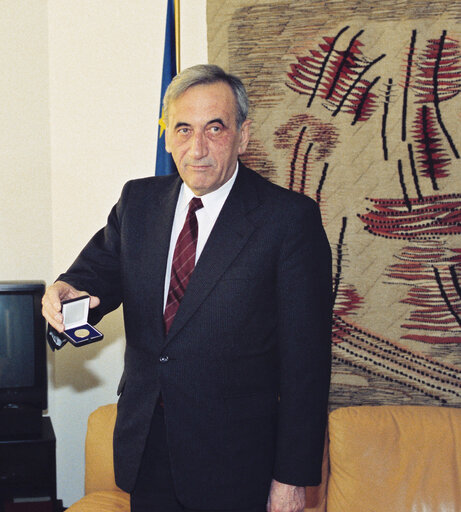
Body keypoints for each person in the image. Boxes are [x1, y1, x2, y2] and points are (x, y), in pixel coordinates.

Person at [42, 65, 332, 512]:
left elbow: (306, 367)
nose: (197, 148)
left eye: (215, 128)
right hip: (148, 452)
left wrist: (292, 479)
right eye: (183, 129)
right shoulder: (137, 203)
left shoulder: (287, 220)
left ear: (243, 135)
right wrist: (65, 290)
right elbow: (95, 276)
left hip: (237, 469)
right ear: (166, 136)